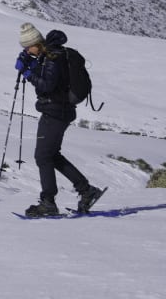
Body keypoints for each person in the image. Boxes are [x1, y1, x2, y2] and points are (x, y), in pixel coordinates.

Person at [16, 23, 105, 217]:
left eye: (27, 47)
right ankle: (86, 190)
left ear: (36, 44)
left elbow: (47, 85)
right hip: (59, 111)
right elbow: (52, 80)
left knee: (43, 156)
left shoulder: (52, 58)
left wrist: (27, 72)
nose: (26, 50)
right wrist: (32, 65)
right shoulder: (51, 56)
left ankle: (48, 202)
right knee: (52, 155)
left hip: (54, 113)